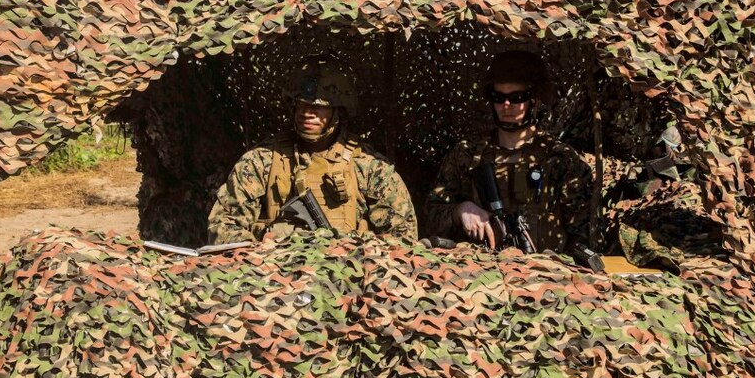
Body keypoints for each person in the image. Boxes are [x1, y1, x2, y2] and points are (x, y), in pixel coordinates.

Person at [207, 58, 418, 244]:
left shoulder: (370, 166)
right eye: (301, 105)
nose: (307, 113)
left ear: (338, 111)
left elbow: (403, 238)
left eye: (319, 106)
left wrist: (356, 246)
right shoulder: (261, 160)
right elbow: (222, 229)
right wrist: (266, 243)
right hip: (275, 278)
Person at [425, 50, 593, 252]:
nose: (506, 105)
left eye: (517, 97)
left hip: (547, 275)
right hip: (479, 274)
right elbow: (430, 215)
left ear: (535, 100)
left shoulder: (561, 160)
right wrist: (460, 211)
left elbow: (587, 236)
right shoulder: (467, 155)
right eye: (498, 97)